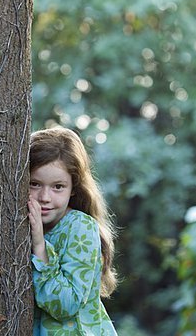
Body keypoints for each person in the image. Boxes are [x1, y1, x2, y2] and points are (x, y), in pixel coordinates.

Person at [28, 126, 118, 335]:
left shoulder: (80, 228)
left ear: (73, 188)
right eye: (34, 184)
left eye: (58, 186)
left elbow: (66, 305)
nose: (45, 197)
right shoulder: (27, 223)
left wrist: (40, 248)